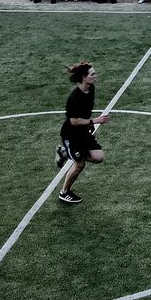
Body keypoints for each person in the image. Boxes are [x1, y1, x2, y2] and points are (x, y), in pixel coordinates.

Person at [54, 60, 110, 204]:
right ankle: (64, 192)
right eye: (92, 74)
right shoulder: (74, 97)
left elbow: (85, 112)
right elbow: (74, 121)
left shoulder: (91, 89)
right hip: (71, 135)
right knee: (79, 165)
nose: (95, 76)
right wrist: (95, 121)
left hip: (83, 132)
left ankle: (64, 153)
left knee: (98, 157)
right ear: (84, 77)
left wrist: (88, 126)